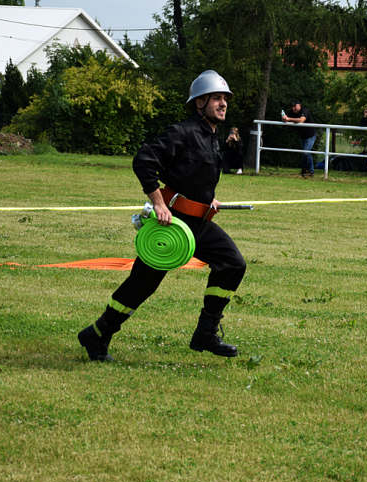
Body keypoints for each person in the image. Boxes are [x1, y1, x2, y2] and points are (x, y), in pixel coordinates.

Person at [77, 70, 247, 362]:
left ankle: (205, 333)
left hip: (199, 223)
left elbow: (196, 176)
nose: (223, 104)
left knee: (233, 264)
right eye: (216, 98)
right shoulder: (181, 132)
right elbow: (144, 162)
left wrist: (208, 199)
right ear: (199, 103)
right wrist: (158, 203)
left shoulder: (213, 137)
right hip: (171, 227)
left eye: (224, 99)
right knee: (141, 286)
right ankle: (97, 333)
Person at [281, 100, 316, 177]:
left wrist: (288, 119)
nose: (293, 108)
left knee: (306, 153)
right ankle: (310, 171)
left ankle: (304, 168)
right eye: (292, 106)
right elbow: (287, 118)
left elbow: (301, 120)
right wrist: (284, 118)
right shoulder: (292, 112)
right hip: (302, 136)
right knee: (307, 153)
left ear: (299, 106)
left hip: (310, 135)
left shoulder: (304, 111)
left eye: (295, 106)